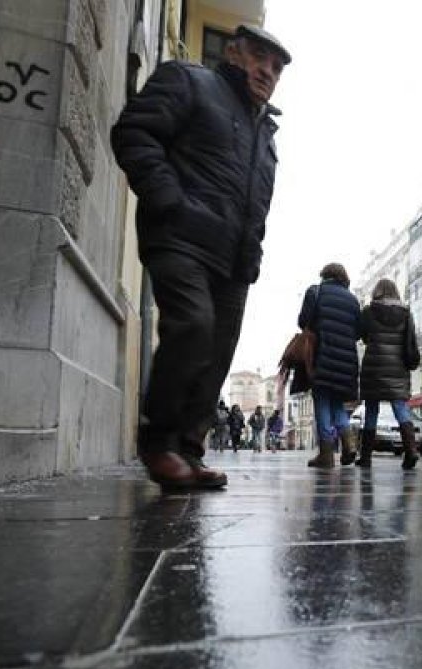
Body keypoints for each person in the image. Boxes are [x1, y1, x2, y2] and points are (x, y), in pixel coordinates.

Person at [111, 25, 291, 488]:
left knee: (216, 354)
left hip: (233, 261)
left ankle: (189, 450)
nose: (267, 72)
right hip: (181, 238)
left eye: (276, 68)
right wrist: (167, 200)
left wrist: (252, 254)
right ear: (233, 53)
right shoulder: (189, 82)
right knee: (192, 327)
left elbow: (257, 204)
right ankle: (159, 442)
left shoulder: (266, 137)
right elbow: (136, 133)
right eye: (260, 58)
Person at [296, 263, 361, 468]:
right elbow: (358, 331)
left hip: (322, 355)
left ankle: (326, 454)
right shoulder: (353, 300)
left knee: (322, 400)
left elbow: (302, 321)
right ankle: (349, 444)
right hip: (347, 360)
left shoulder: (316, 292)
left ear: (324, 275)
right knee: (337, 403)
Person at [358, 279, 422, 470]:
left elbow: (363, 336)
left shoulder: (369, 311)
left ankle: (366, 457)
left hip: (374, 366)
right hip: (397, 367)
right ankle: (411, 450)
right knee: (400, 408)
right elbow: (410, 339)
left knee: (371, 410)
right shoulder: (405, 313)